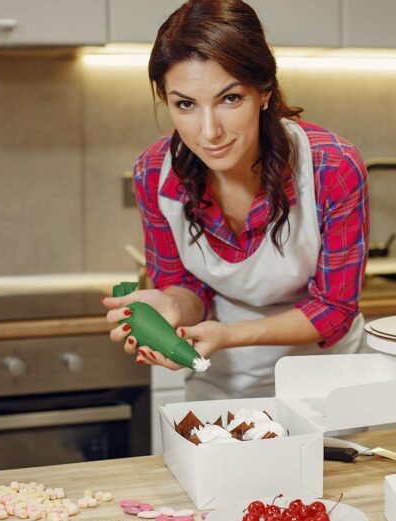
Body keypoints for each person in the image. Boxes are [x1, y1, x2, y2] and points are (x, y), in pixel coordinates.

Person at [103, 0, 369, 401]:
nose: (209, 131)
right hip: (221, 379)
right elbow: (186, 287)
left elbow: (335, 308)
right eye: (185, 104)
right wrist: (172, 308)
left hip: (328, 379)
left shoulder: (331, 167)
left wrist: (229, 334)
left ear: (264, 92)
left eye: (229, 99)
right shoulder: (154, 173)